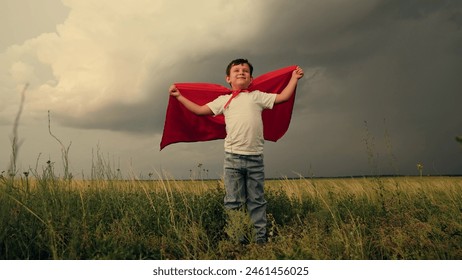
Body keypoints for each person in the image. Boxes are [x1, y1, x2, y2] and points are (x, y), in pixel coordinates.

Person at [168, 58, 304, 244]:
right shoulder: (224, 100)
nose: (241, 72)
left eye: (245, 71)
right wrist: (178, 96)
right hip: (232, 159)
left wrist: (294, 78)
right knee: (234, 202)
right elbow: (200, 111)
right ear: (228, 79)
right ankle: (237, 241)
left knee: (257, 201)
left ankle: (260, 241)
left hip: (255, 158)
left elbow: (283, 97)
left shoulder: (257, 96)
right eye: (237, 70)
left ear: (251, 78)